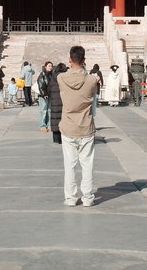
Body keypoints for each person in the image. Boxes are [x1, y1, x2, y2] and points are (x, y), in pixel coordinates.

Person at [57, 46, 100, 207]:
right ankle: (88, 197)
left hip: (68, 126)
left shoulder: (61, 78)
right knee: (87, 164)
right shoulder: (91, 80)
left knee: (70, 164)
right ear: (84, 60)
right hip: (86, 127)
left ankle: (71, 198)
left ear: (70, 59)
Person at [49, 63, 68, 145]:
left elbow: (49, 89)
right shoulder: (65, 77)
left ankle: (56, 139)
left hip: (54, 102)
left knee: (55, 118)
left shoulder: (53, 78)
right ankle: (63, 138)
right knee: (63, 118)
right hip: (64, 101)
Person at [37, 61, 54, 131]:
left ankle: (49, 125)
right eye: (49, 66)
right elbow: (41, 85)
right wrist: (44, 94)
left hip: (50, 95)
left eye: (51, 66)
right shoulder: (42, 75)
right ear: (45, 67)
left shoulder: (52, 75)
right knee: (43, 111)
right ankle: (43, 125)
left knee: (50, 111)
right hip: (43, 96)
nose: (50, 67)